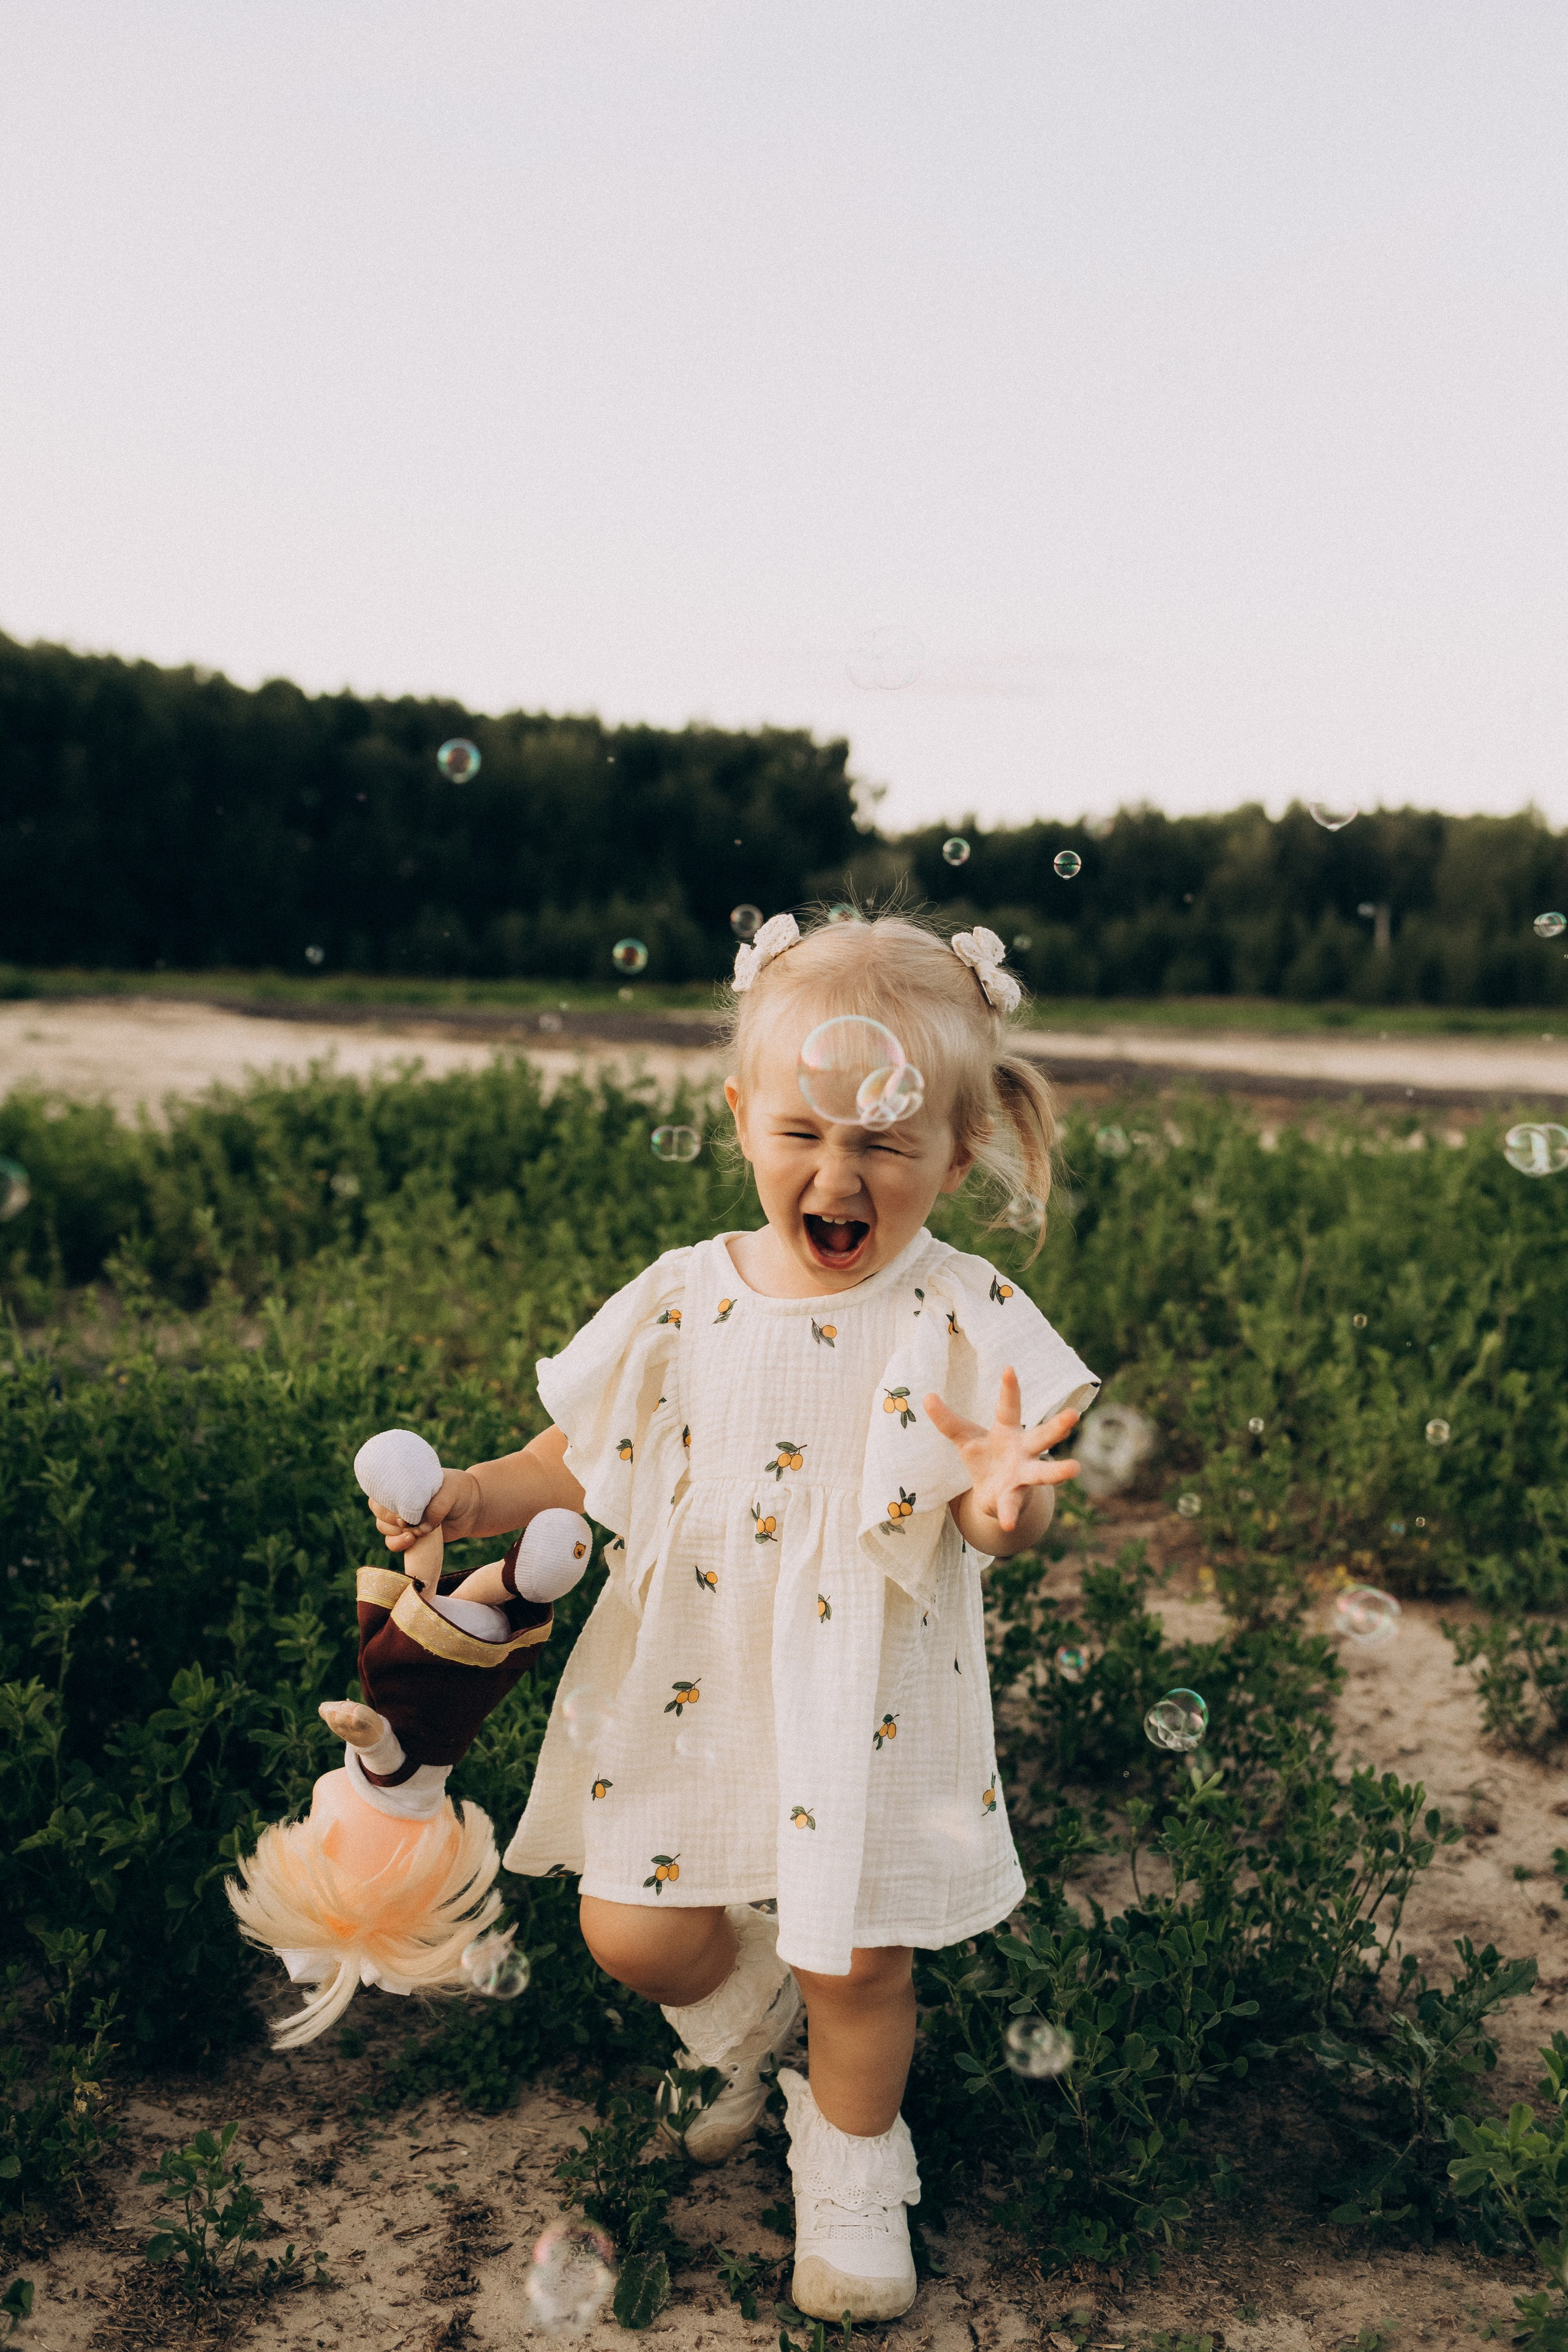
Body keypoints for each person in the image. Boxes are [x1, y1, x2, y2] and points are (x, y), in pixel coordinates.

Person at [363, 911, 1098, 2323]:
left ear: (956, 1151)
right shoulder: (686, 1294)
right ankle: (745, 2016)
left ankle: (852, 2163)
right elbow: (583, 1453)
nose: (838, 1174)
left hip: (863, 1682)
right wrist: (472, 1494)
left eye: (885, 1144)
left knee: (855, 1953)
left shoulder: (957, 1310)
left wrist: (1006, 1490)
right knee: (631, 1931)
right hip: (690, 1660)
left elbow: (987, 1517)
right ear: (738, 1118)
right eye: (802, 1133)